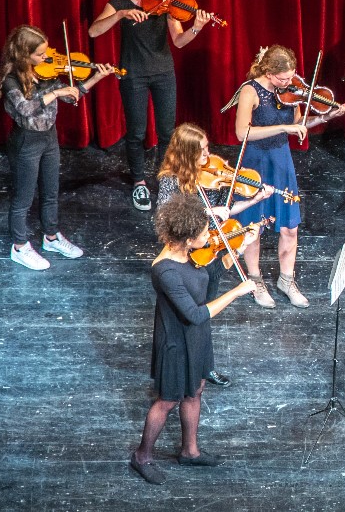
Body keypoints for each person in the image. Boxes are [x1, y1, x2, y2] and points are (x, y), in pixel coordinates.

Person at [129, 192, 256, 485]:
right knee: (168, 400)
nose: (208, 236)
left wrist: (233, 252)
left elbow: (206, 283)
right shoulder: (165, 271)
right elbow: (195, 313)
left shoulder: (189, 254)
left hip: (197, 338)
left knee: (196, 390)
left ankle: (190, 450)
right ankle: (142, 456)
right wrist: (237, 292)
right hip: (175, 343)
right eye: (202, 233)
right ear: (186, 238)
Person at [89, 0, 215, 212]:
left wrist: (197, 27)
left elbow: (179, 42)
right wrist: (121, 14)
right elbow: (94, 31)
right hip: (132, 73)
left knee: (168, 132)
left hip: (163, 73)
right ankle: (139, 181)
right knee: (136, 132)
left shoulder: (167, 2)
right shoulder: (119, 1)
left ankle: (165, 181)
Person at [155, 122, 275, 386]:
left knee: (208, 309)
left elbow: (226, 211)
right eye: (201, 152)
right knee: (195, 313)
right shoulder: (170, 180)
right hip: (185, 255)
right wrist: (208, 213)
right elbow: (166, 220)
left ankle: (205, 366)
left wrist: (256, 200)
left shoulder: (210, 175)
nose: (208, 157)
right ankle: (188, 365)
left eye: (207, 148)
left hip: (210, 248)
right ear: (186, 154)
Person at [230, 45, 345, 308]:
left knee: (290, 226)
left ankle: (286, 279)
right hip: (255, 164)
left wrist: (324, 117)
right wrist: (282, 127)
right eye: (283, 79)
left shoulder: (290, 91)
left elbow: (299, 126)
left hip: (282, 162)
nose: (288, 83)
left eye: (291, 76)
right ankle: (255, 280)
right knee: (254, 227)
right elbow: (242, 133)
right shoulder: (250, 90)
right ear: (269, 73)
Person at [0, 25, 116, 270]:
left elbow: (73, 94)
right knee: (23, 198)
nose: (46, 58)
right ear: (24, 54)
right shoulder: (12, 80)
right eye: (40, 55)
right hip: (26, 142)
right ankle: (19, 247)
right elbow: (25, 109)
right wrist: (56, 91)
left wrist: (95, 77)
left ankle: (51, 238)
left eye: (46, 52)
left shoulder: (49, 72)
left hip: (49, 138)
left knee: (51, 191)